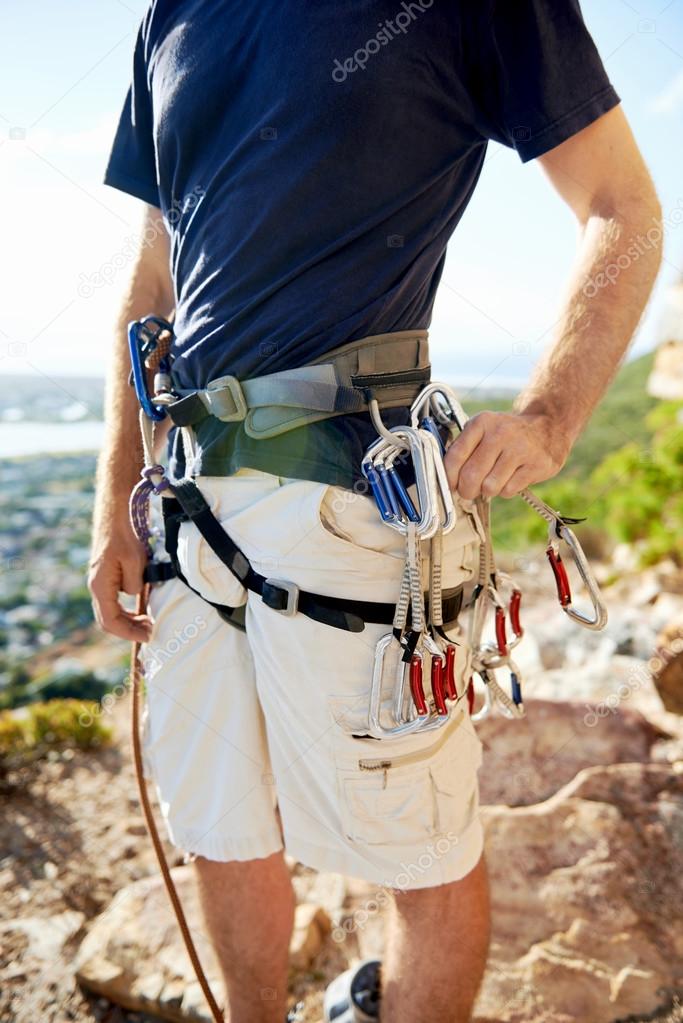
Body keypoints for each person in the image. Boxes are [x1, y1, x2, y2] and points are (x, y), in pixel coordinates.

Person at [89, 2, 662, 1021]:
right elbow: (152, 281)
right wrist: (112, 506)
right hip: (186, 504)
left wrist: (548, 416)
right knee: (220, 824)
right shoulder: (171, 16)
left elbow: (621, 206)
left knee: (420, 849)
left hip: (353, 499)